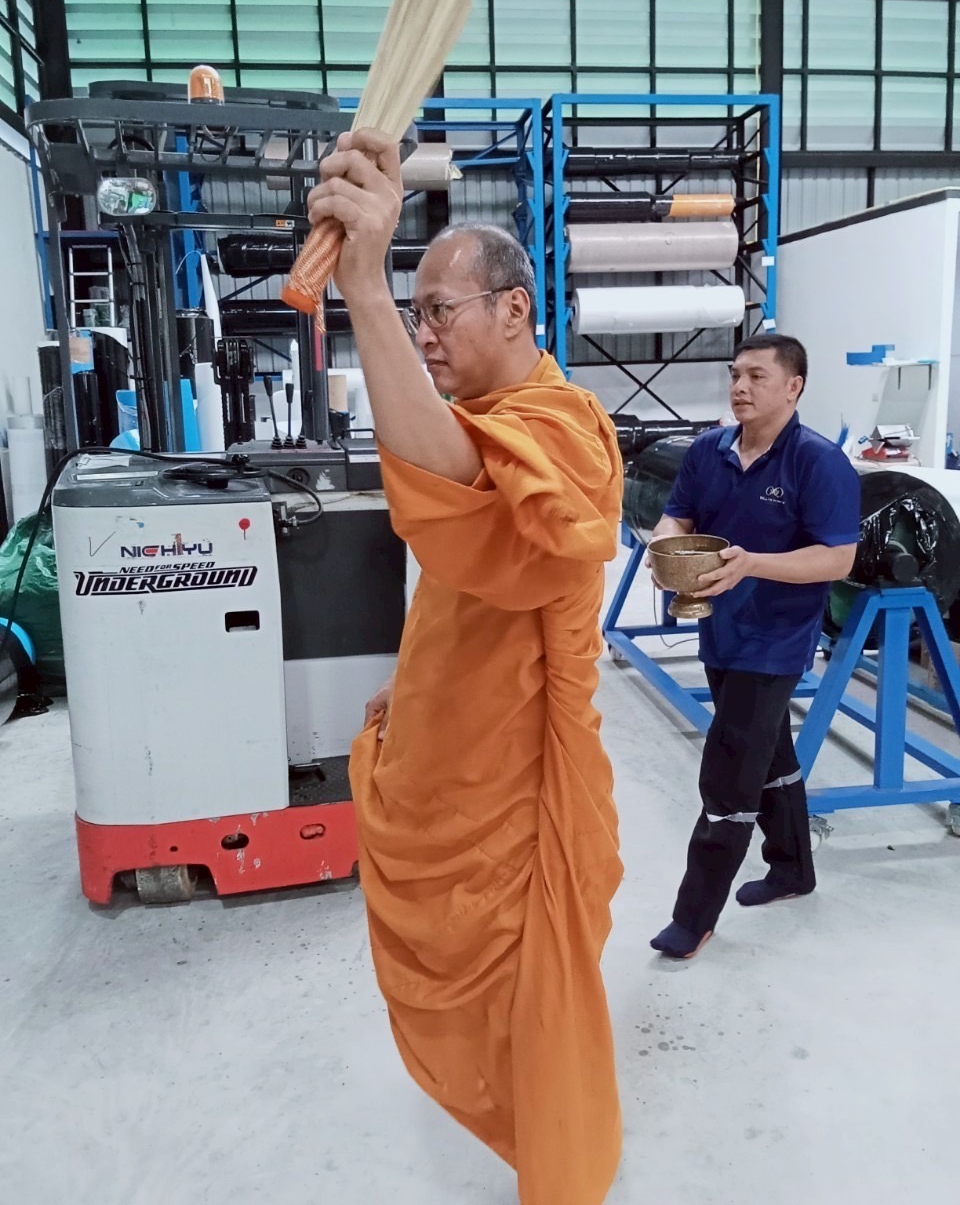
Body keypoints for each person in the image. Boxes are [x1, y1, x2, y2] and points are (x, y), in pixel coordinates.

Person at [307, 129, 624, 1205]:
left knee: (532, 1011)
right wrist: (415, 682)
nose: (427, 333)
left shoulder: (566, 428)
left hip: (521, 791)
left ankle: (564, 1173)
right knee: (487, 1011)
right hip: (451, 745)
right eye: (418, 312)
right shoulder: (488, 421)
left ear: (516, 309)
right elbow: (460, 582)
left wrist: (363, 287)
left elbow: (454, 493)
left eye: (439, 310)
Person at [648, 334, 860, 961]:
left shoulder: (818, 463)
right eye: (736, 374)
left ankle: (693, 918)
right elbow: (679, 515)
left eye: (757, 377)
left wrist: (753, 564)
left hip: (776, 638)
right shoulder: (708, 451)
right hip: (720, 627)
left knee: (729, 773)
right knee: (771, 754)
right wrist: (664, 547)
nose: (740, 387)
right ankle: (792, 868)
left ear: (794, 387)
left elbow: (837, 558)